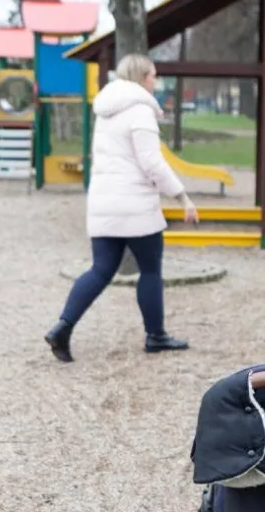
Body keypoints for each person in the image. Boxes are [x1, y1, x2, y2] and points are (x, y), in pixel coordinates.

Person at [44, 54, 199, 362]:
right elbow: (151, 163)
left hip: (103, 202)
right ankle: (156, 335)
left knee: (101, 269)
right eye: (153, 75)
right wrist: (182, 197)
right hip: (135, 205)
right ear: (142, 78)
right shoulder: (140, 111)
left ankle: (63, 326)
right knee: (151, 269)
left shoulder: (106, 111)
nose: (156, 80)